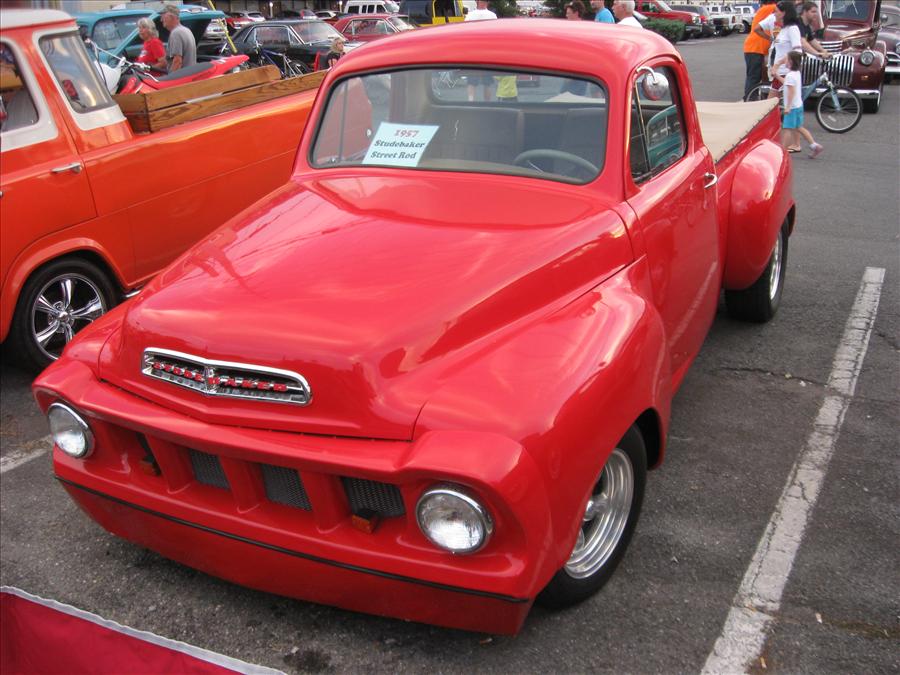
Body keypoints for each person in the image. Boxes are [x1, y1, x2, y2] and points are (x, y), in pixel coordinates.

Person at [778, 50, 823, 157]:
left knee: (787, 129)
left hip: (792, 107)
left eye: (786, 59)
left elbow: (791, 92)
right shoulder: (796, 74)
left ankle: (782, 151)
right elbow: (787, 84)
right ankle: (814, 145)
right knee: (799, 127)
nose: (784, 61)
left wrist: (788, 107)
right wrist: (776, 76)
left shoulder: (790, 76)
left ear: (790, 62)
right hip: (799, 105)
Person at [766, 1, 802, 98]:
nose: (774, 14)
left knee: (774, 104)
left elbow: (797, 51)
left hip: (787, 73)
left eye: (776, 11)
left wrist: (778, 64)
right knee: (773, 104)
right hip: (779, 73)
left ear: (783, 13)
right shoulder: (783, 29)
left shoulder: (792, 29)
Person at [743, 0, 777, 99]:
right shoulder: (770, 8)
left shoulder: (765, 9)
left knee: (756, 76)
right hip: (755, 48)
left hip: (755, 48)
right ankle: (750, 99)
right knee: (754, 77)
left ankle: (751, 97)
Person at [465, 0, 497, 101]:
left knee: (471, 81)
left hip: (473, 53)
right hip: (487, 54)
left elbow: (464, 33)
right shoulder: (492, 16)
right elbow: (496, 35)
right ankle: (487, 104)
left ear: (477, 1)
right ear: (488, 2)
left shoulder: (470, 15)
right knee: (487, 82)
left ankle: (471, 103)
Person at [160, 4, 196, 73]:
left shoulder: (176, 33)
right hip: (191, 74)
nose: (161, 20)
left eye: (163, 17)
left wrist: (171, 78)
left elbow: (177, 61)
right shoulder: (186, 30)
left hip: (182, 77)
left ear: (171, 17)